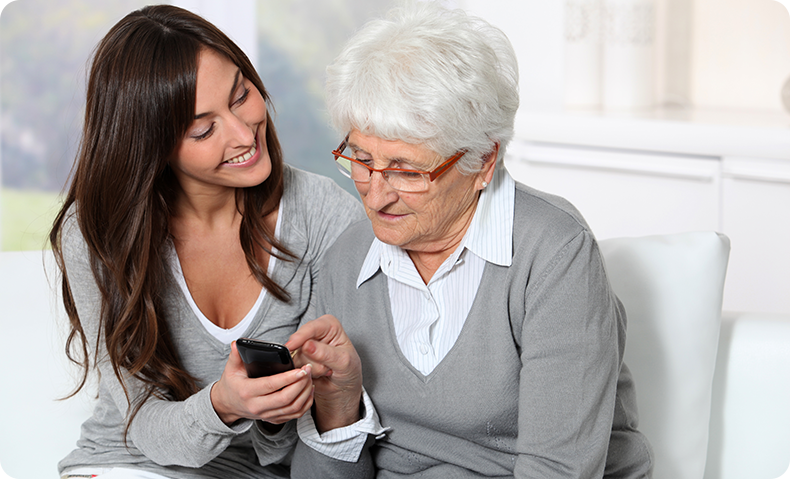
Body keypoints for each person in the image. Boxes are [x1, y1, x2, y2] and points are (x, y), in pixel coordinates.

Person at [285, 2, 654, 478]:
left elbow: (559, 471)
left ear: (482, 162)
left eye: (406, 170)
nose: (375, 195)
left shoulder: (554, 255)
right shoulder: (347, 259)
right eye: (360, 158)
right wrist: (338, 408)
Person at [48, 5, 364, 479]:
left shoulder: (323, 216)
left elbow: (301, 443)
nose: (243, 134)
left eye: (241, 96)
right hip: (127, 462)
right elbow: (142, 421)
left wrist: (278, 407)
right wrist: (222, 404)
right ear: (150, 143)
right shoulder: (97, 232)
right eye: (203, 129)